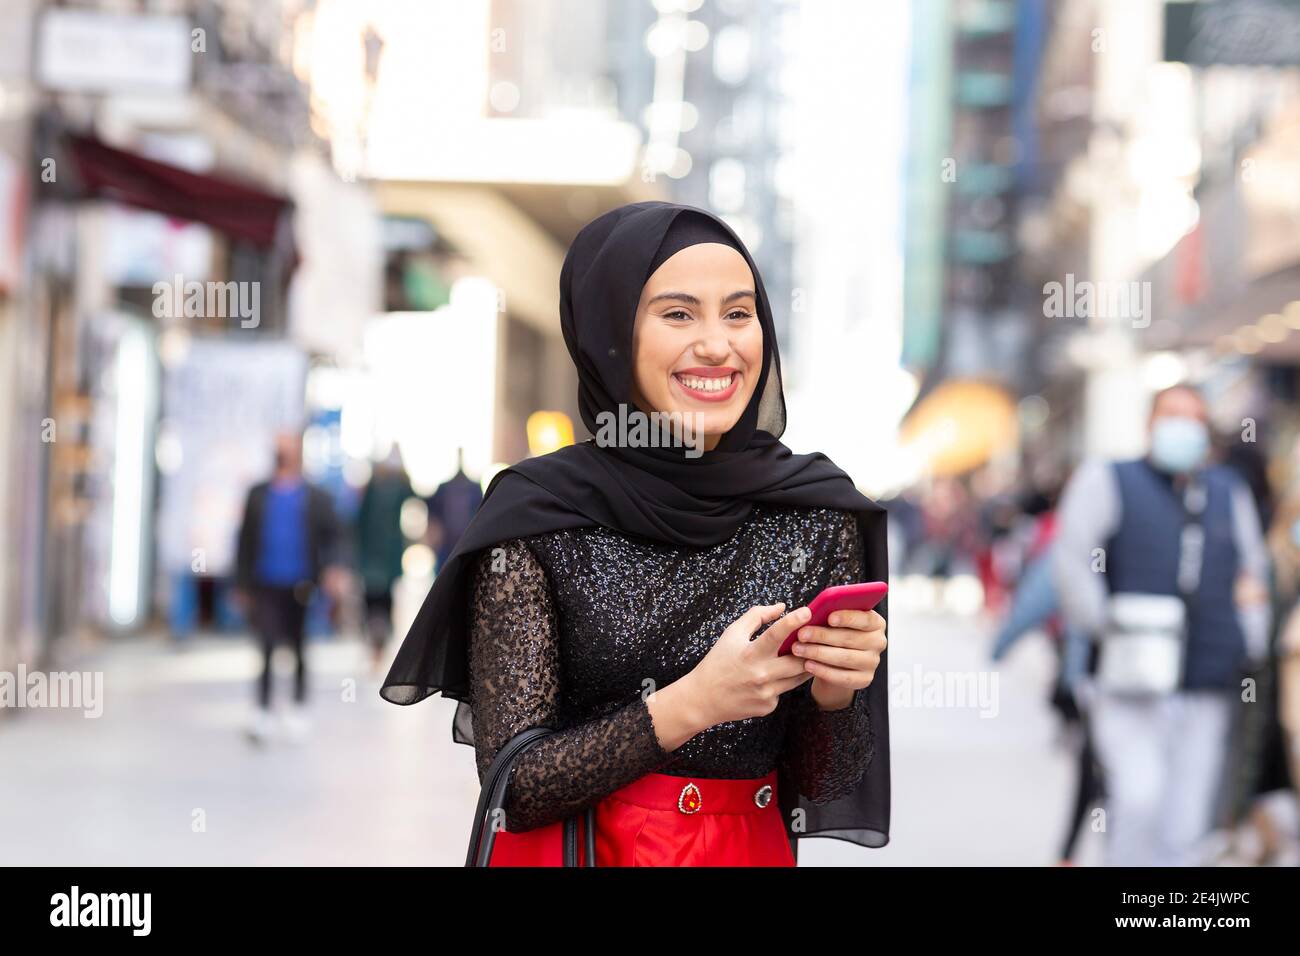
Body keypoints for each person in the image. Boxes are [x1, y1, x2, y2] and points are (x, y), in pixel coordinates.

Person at [381, 202, 891, 866]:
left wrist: (835, 689)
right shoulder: (538, 515)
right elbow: (518, 785)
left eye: (739, 313)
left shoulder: (814, 515)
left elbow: (822, 783)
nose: (717, 344)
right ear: (612, 335)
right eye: (679, 314)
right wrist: (695, 703)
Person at [1052, 384, 1270, 866]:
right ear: (1150, 423)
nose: (1182, 426)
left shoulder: (1227, 491)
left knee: (1188, 818)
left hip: (1207, 674)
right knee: (1139, 796)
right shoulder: (1108, 478)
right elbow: (1073, 561)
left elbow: (1251, 573)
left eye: (1194, 417)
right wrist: (1106, 624)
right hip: (1128, 675)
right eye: (1172, 414)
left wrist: (1249, 637)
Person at [235, 431, 344, 743]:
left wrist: (334, 571)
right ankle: (263, 709)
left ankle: (297, 705)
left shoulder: (315, 496)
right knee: (266, 644)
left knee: (297, 645)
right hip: (265, 581)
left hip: (301, 582)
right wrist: (241, 583)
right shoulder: (258, 493)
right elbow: (244, 540)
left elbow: (334, 535)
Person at [354, 448, 414, 673]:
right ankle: (373, 649)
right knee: (371, 603)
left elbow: (413, 496)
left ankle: (380, 650)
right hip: (371, 558)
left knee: (384, 603)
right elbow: (360, 522)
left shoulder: (398, 488)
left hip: (386, 558)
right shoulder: (372, 489)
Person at [424, 448, 482, 575]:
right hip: (446, 547)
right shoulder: (443, 489)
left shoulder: (475, 489)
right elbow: (433, 516)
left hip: (467, 547)